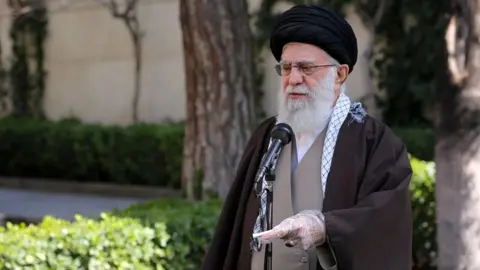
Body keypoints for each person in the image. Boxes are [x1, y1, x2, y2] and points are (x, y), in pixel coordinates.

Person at [200, 4, 413, 270]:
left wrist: (324, 227)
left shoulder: (376, 143)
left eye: (306, 68)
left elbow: (385, 226)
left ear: (340, 74)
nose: (293, 79)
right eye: (286, 68)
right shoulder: (268, 135)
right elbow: (234, 226)